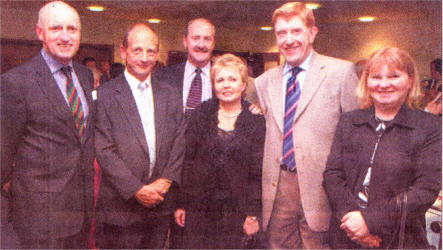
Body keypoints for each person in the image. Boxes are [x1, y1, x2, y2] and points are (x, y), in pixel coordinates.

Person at [254, 2, 359, 248]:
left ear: (312, 33)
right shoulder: (262, 83)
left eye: (296, 31)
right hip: (278, 187)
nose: (288, 39)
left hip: (323, 189)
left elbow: (356, 141)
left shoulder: (340, 73)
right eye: (282, 33)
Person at [323, 47, 442, 248]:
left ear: (410, 80)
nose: (384, 84)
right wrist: (354, 224)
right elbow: (332, 175)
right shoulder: (349, 121)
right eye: (376, 77)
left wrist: (369, 221)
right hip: (346, 235)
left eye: (394, 76)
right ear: (366, 82)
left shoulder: (429, 126)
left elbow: (425, 189)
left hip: (401, 239)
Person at [1, 1, 95, 248]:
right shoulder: (16, 82)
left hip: (81, 211)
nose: (65, 37)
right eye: (56, 29)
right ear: (40, 33)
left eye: (72, 29)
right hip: (39, 218)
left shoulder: (84, 76)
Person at [94, 23, 185, 249]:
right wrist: (137, 189)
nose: (144, 58)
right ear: (124, 52)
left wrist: (165, 182)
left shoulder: (170, 93)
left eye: (151, 51)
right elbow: (104, 149)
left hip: (160, 205)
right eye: (137, 50)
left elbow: (179, 140)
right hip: (120, 207)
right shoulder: (105, 95)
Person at [174, 53, 265, 249]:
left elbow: (258, 173)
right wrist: (182, 203)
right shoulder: (200, 114)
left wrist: (252, 214)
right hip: (199, 210)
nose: (226, 85)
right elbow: (187, 162)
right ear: (213, 85)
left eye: (233, 79)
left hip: (237, 213)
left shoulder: (256, 121)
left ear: (243, 85)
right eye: (220, 80)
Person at [152, 18, 215, 113]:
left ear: (213, 44)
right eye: (196, 38)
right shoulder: (162, 77)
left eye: (207, 39)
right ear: (185, 41)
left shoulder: (224, 79)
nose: (201, 45)